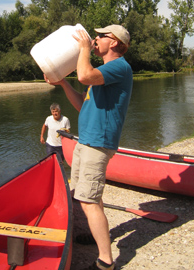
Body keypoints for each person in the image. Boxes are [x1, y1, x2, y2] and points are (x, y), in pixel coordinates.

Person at [44, 24, 133, 270]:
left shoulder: (118, 66)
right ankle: (99, 238)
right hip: (87, 140)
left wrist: (83, 48)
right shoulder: (104, 73)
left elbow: (83, 75)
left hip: (98, 143)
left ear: (113, 42)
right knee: (90, 196)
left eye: (100, 36)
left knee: (88, 200)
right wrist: (62, 83)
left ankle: (105, 261)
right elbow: (83, 106)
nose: (94, 39)